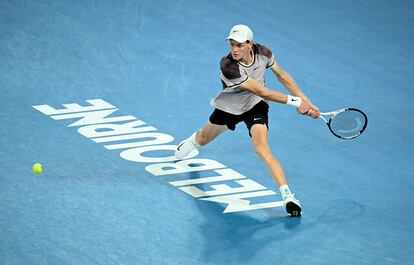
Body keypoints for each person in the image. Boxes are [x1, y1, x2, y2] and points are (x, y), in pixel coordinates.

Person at [175, 24, 320, 217]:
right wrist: (296, 102)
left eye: (239, 45)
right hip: (229, 108)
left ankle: (288, 197)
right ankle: (193, 140)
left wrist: (307, 101)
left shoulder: (264, 53)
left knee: (261, 148)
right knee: (203, 139)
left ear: (249, 44)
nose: (234, 49)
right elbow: (261, 90)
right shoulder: (228, 66)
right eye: (232, 44)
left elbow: (282, 76)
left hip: (255, 106)